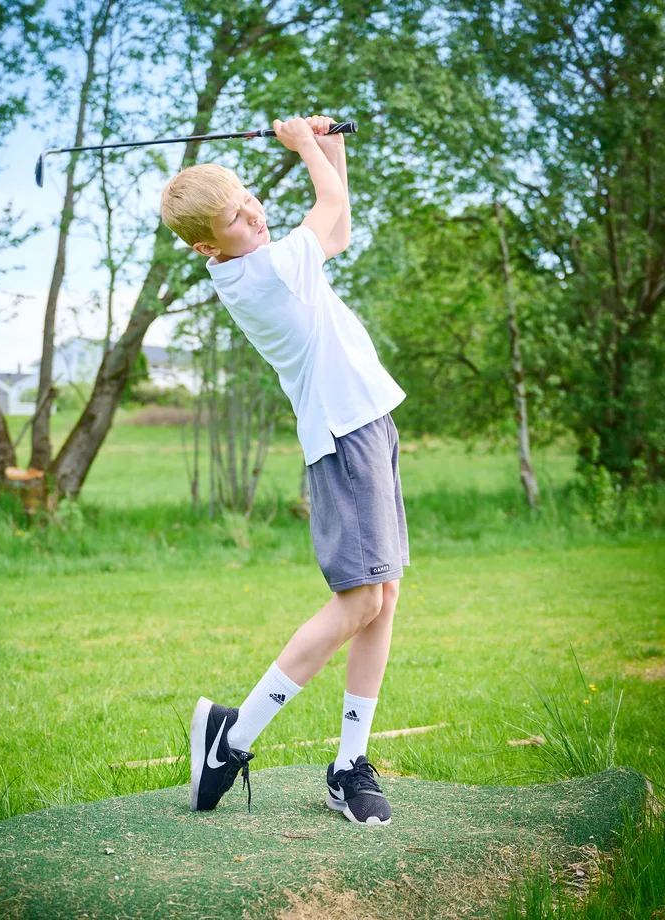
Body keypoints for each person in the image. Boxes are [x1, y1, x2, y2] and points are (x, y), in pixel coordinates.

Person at [160, 115, 409, 826]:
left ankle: (347, 763)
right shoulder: (262, 272)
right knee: (360, 602)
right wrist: (305, 145)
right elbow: (326, 212)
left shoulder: (263, 259)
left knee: (383, 596)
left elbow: (336, 230)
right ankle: (231, 740)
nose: (252, 214)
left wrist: (329, 145)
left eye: (249, 199)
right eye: (236, 217)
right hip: (342, 433)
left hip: (367, 420)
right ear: (209, 245)